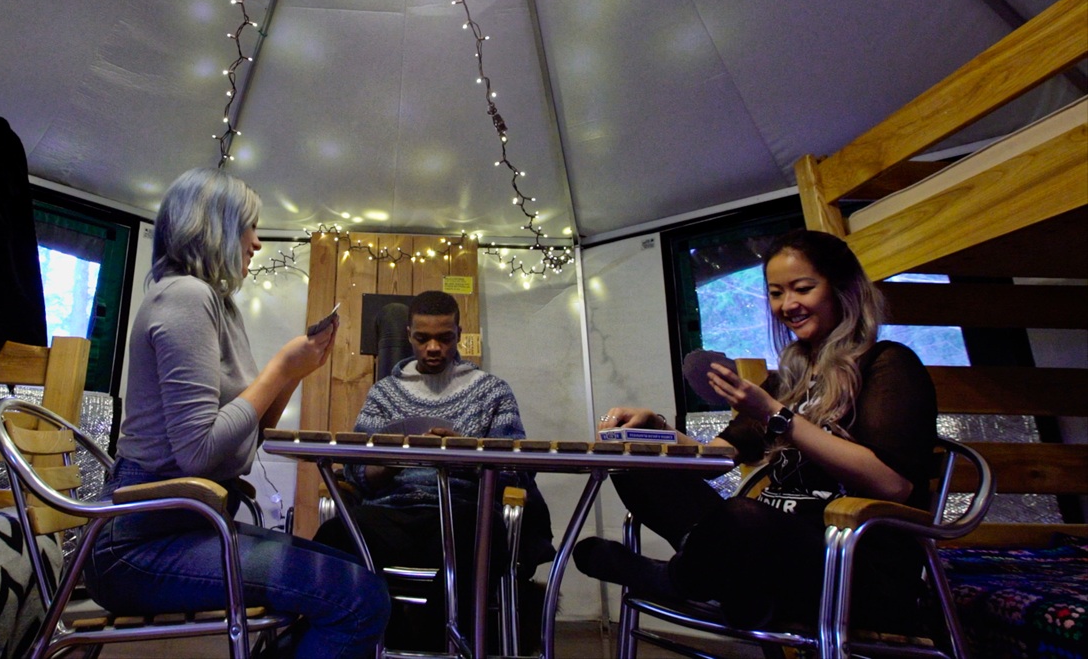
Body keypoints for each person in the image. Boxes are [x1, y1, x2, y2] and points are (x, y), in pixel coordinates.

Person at [86, 167, 389, 659]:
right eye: (250, 227)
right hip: (138, 546)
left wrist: (296, 372)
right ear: (215, 226)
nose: (256, 243)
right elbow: (199, 453)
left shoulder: (219, 305)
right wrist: (279, 367)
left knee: (354, 576)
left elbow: (240, 450)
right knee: (358, 599)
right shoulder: (186, 296)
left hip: (188, 524)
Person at [573, 229, 938, 631]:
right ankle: (728, 584)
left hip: (851, 562)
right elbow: (716, 458)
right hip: (770, 553)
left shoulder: (889, 365)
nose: (788, 304)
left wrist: (777, 416)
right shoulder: (790, 379)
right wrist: (653, 430)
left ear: (843, 289)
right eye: (777, 293)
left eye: (802, 288)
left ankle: (677, 580)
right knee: (635, 466)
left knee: (744, 517)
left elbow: (892, 486)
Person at [313, 290, 554, 651]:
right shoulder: (385, 393)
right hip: (394, 513)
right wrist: (393, 462)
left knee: (488, 539)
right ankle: (362, 642)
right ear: (409, 334)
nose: (433, 348)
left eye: (445, 338)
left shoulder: (492, 392)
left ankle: (435, 643)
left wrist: (465, 456)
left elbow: (515, 472)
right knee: (335, 536)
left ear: (459, 333)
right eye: (422, 338)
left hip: (464, 513)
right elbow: (355, 470)